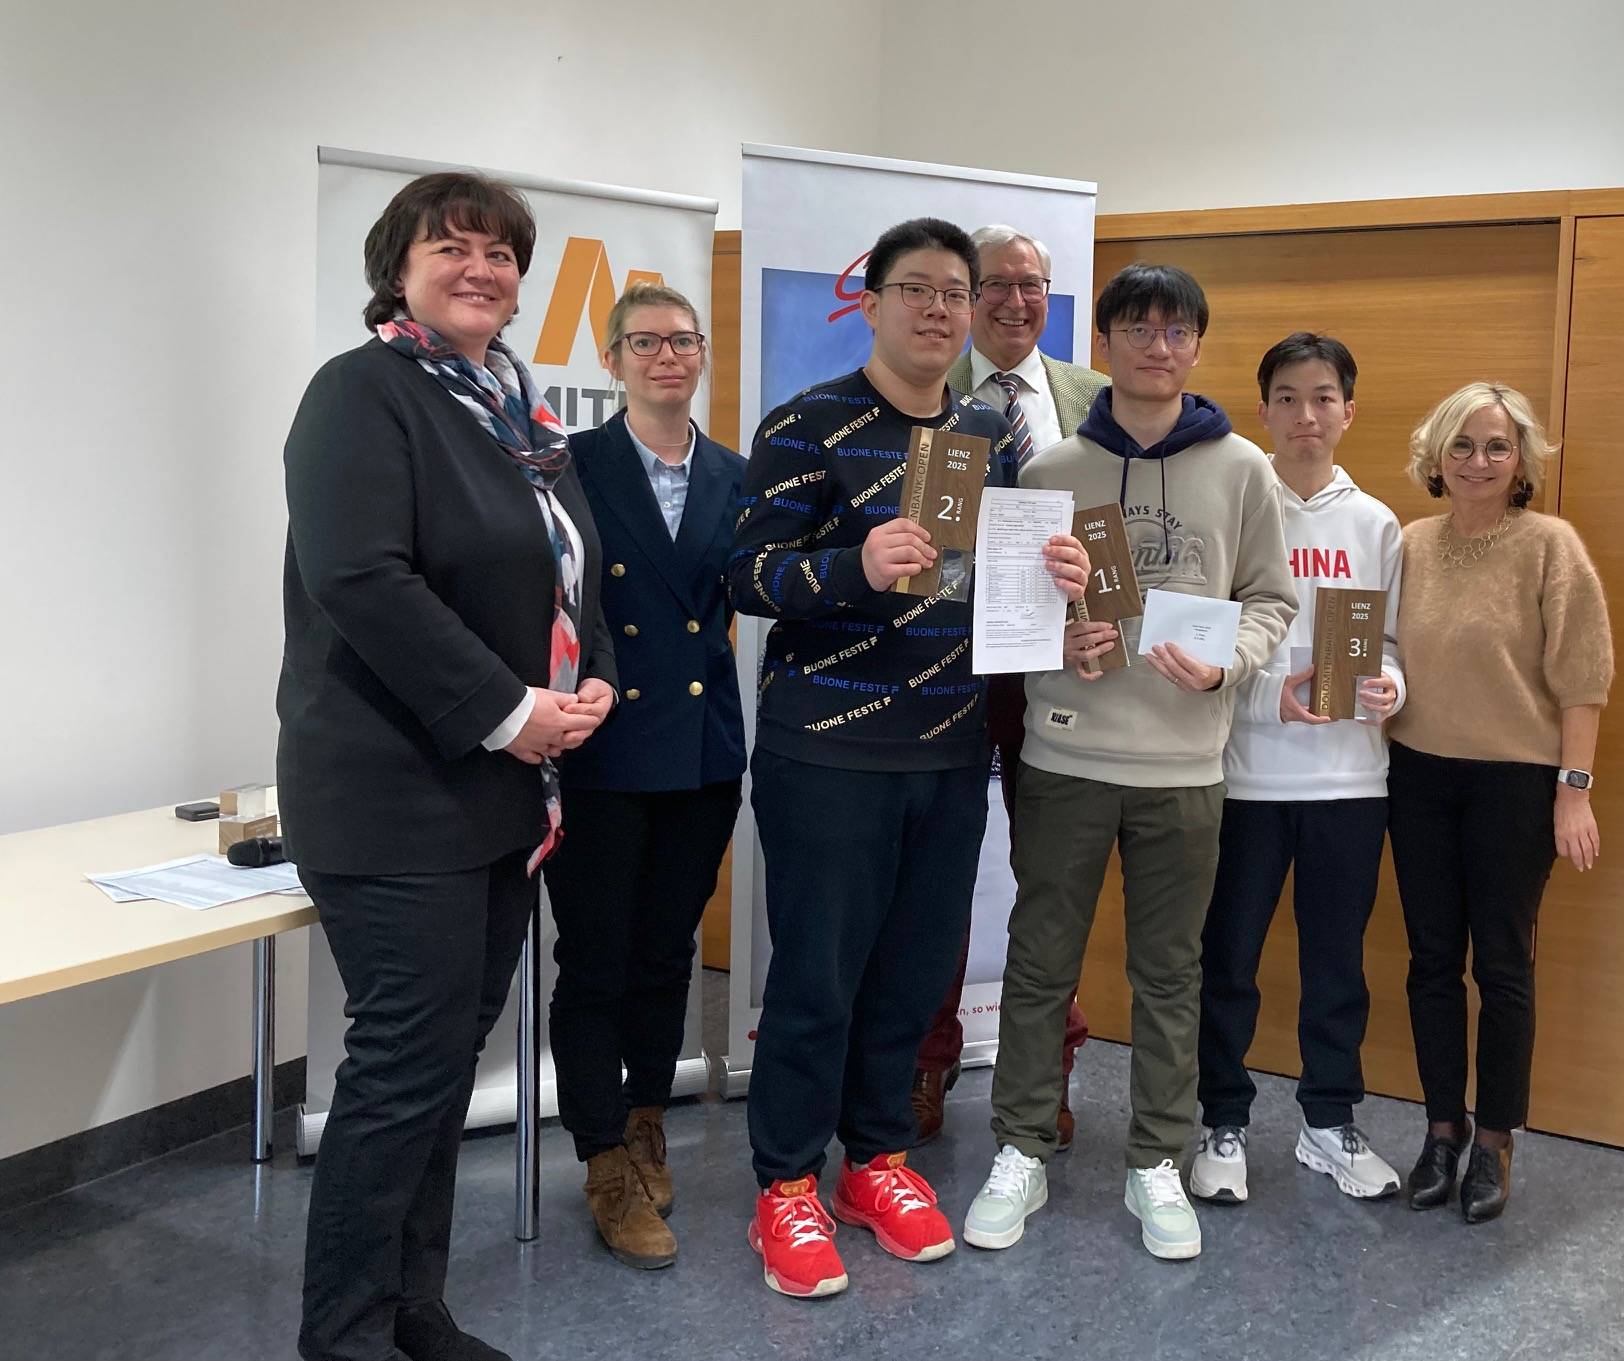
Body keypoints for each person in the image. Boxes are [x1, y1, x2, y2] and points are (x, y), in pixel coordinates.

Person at [279, 172, 617, 1361]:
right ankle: (346, 1332)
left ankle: (412, 1308)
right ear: (398, 269)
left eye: (501, 253)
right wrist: (506, 708)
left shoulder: (514, 412)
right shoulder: (360, 392)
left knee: (436, 1068)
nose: (481, 268)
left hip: (497, 793)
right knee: (401, 1067)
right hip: (391, 790)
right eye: (451, 247)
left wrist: (594, 678)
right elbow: (361, 578)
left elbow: (567, 570)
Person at [728, 217, 1085, 1298]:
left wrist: (1058, 585)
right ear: (873, 302)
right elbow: (746, 574)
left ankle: (874, 1159)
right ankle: (786, 1181)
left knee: (912, 975)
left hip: (949, 749)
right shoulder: (808, 423)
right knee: (817, 976)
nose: (938, 309)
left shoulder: (986, 433)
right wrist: (853, 565)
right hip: (827, 750)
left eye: (954, 292)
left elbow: (996, 585)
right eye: (915, 289)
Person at [963, 264, 1296, 1261]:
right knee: (1039, 962)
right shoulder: (1050, 470)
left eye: (1177, 330)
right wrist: (1056, 641)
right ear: (1102, 343)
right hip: (1066, 754)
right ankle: (1021, 1145)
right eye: (1138, 328)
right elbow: (1013, 612)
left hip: (1185, 769)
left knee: (1170, 973)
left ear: (1197, 345)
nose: (1158, 346)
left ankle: (1155, 1158)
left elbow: (1271, 600)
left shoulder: (1242, 468)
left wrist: (1227, 662)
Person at [541, 282, 744, 1270]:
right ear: (612, 359)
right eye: (646, 342)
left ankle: (646, 1115)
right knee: (596, 959)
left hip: (700, 751)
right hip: (602, 745)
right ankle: (601, 1155)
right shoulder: (569, 465)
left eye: (683, 341)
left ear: (701, 354)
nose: (668, 356)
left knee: (666, 954)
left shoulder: (735, 473)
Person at [1389, 381, 1613, 1223]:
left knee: (1504, 965)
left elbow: (1583, 678)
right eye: (1462, 444)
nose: (1477, 461)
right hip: (1416, 776)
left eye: (1496, 446)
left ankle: (1494, 1140)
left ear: (1521, 461)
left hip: (1516, 785)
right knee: (1430, 961)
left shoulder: (1552, 546)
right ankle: (1441, 1129)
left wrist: (1573, 793)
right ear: (1436, 455)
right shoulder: (1410, 543)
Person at [1190, 333, 1405, 1208]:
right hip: (1246, 780)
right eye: (1287, 397)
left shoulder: (1377, 523)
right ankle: (1222, 1121)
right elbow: (1204, 645)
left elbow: (1394, 644)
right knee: (1228, 960)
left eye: (1323, 398)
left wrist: (1391, 686)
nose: (1305, 415)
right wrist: (1267, 697)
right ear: (1263, 410)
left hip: (1350, 784)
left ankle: (1328, 1122)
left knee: (1336, 966)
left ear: (1349, 410)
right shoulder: (1236, 507)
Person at [914, 224, 1108, 1146]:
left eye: (1032, 284)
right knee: (937, 879)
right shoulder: (924, 388)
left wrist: (1105, 618)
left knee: (1051, 880)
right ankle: (924, 1060)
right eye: (994, 283)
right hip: (946, 671)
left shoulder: (1095, 398)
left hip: (1062, 675)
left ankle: (1043, 1072)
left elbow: (1112, 525)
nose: (1015, 301)